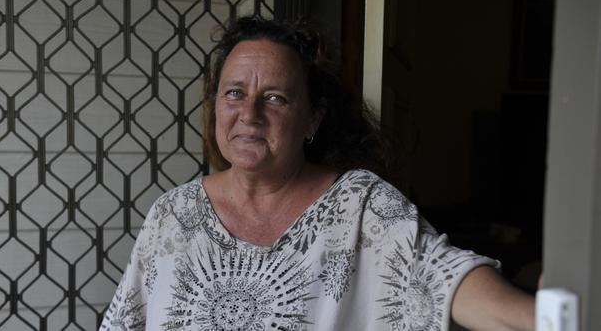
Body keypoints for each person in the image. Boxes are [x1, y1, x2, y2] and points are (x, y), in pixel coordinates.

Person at [99, 16, 535, 331]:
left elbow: (443, 277)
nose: (248, 113)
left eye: (275, 98)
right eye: (234, 93)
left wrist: (550, 320)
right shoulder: (173, 214)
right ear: (215, 107)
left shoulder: (361, 206)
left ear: (312, 120)